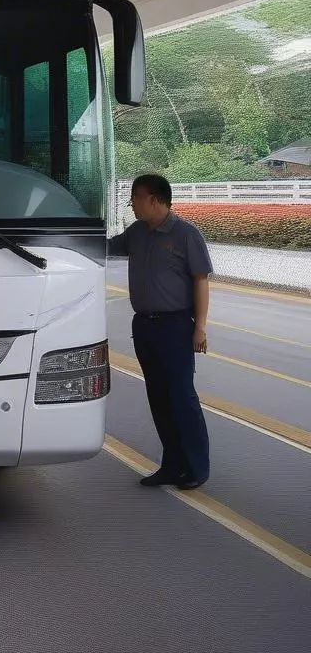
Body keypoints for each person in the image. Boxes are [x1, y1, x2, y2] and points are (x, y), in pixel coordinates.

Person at [109, 174, 212, 490]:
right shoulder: (138, 232)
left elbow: (201, 280)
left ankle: (196, 467)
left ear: (154, 199)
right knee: (158, 396)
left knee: (181, 396)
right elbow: (106, 247)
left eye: (135, 198)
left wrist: (201, 328)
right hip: (144, 325)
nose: (132, 204)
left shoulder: (185, 234)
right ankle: (171, 465)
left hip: (175, 326)